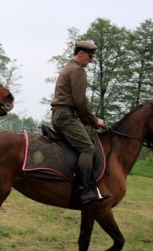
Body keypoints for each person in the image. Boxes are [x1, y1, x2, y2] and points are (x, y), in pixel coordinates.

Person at [51, 40, 108, 205]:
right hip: (66, 116)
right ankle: (84, 191)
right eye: (90, 56)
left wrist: (88, 121)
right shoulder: (77, 70)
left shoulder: (68, 67)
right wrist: (94, 120)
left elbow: (76, 102)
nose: (90, 60)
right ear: (81, 53)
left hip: (60, 115)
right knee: (88, 148)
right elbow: (80, 101)